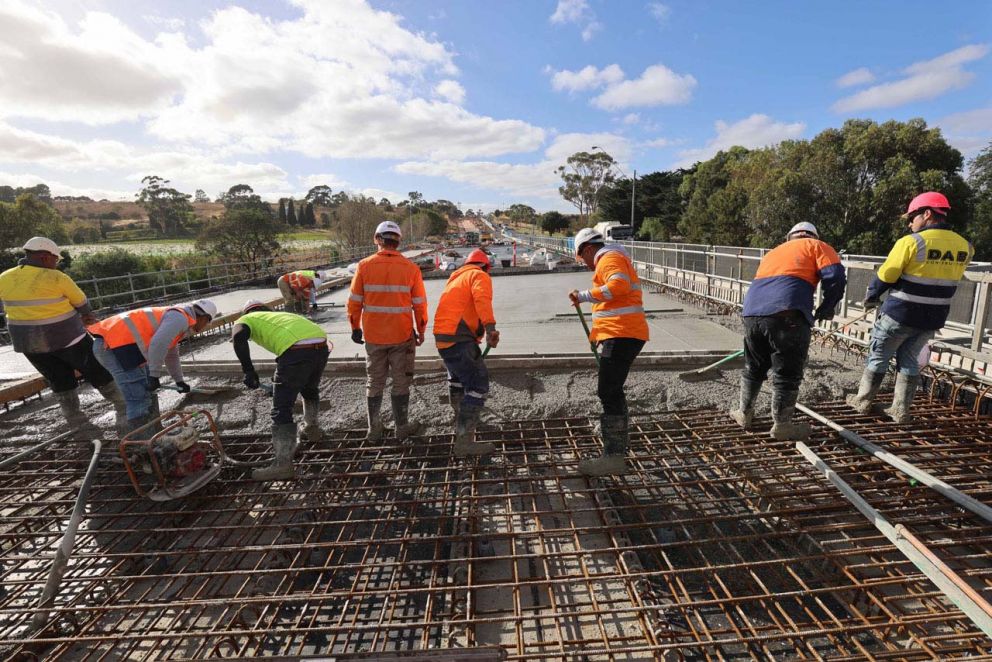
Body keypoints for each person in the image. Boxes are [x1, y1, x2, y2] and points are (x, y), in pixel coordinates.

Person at [847, 192, 972, 423]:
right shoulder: (965, 246)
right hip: (932, 319)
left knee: (878, 356)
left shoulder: (911, 242)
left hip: (900, 314)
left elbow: (887, 274)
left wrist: (872, 296)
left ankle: (863, 401)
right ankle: (900, 409)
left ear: (927, 214)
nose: (910, 222)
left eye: (913, 216)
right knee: (909, 359)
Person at [730, 222, 846, 439]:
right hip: (787, 314)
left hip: (752, 314)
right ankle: (782, 426)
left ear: (789, 237)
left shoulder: (774, 252)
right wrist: (827, 307)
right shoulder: (817, 245)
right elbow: (836, 276)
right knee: (787, 372)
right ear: (812, 235)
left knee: (754, 366)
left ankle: (744, 413)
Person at [0, 236, 126, 432]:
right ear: (44, 257)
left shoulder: (5, 277)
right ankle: (123, 407)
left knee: (58, 378)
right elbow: (81, 302)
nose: (55, 263)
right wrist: (87, 317)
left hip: (29, 344)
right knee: (96, 370)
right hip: (67, 338)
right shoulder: (56, 277)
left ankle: (75, 420)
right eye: (55, 259)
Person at [568, 228, 649, 476]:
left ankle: (614, 457)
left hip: (623, 333)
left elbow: (619, 286)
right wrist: (599, 335)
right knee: (612, 390)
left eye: (582, 258)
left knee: (608, 391)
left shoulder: (608, 258)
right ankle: (618, 438)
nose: (584, 264)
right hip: (622, 334)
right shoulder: (611, 257)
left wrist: (583, 296)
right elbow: (614, 303)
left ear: (589, 249)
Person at [348, 221, 428, 441]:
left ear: (377, 239)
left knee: (374, 381)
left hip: (373, 336)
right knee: (401, 382)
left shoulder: (364, 266)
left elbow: (354, 301)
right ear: (398, 241)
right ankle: (401, 429)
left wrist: (355, 327)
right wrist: (421, 330)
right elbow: (420, 304)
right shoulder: (411, 268)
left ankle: (373, 430)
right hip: (401, 335)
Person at [232, 300, 329, 480]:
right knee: (309, 389)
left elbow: (238, 337)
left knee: (281, 408)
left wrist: (248, 370)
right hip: (321, 345)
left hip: (296, 350)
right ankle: (311, 428)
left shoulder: (247, 318)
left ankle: (283, 464)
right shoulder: (281, 316)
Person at [88, 299, 217, 433]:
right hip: (112, 348)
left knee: (146, 393)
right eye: (207, 323)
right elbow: (158, 344)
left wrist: (179, 380)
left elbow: (171, 353)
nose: (204, 327)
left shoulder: (179, 317)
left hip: (121, 347)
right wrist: (154, 374)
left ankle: (153, 433)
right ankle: (141, 443)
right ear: (204, 318)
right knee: (138, 398)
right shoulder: (180, 319)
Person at [433, 249, 499, 457]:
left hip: (444, 338)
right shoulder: (479, 275)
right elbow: (482, 299)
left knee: (458, 380)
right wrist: (490, 328)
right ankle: (464, 441)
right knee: (478, 384)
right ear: (485, 266)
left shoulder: (456, 279)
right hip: (459, 337)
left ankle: (461, 421)